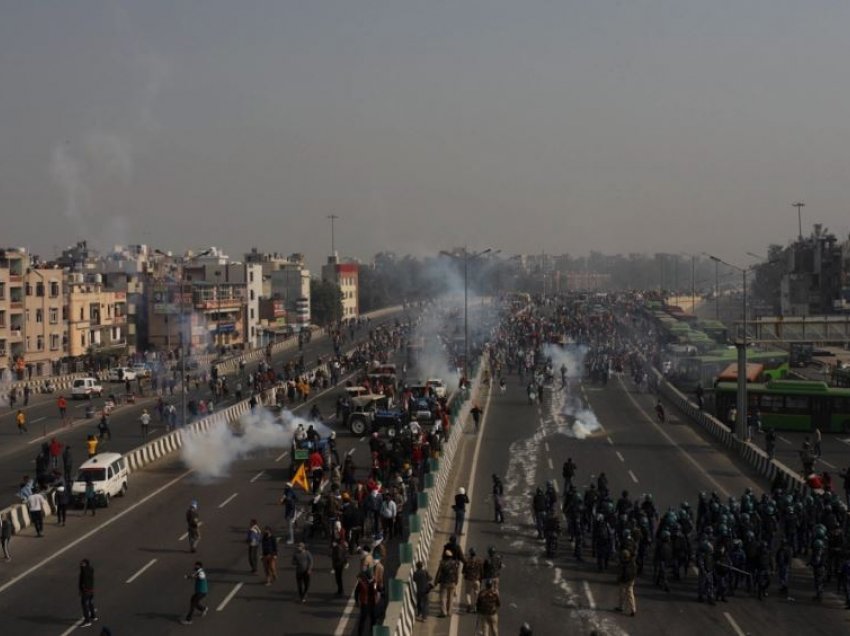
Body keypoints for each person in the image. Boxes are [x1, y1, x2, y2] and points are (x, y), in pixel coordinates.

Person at [355, 569, 380, 636]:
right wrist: (357, 601)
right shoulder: (362, 583)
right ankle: (361, 633)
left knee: (371, 618)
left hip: (370, 603)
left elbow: (376, 590)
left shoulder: (372, 582)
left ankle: (371, 632)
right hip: (366, 603)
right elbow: (356, 592)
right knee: (365, 619)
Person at [436, 549, 460, 617]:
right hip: (452, 582)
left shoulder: (442, 563)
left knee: (443, 597)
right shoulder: (455, 563)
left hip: (444, 582)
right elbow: (456, 573)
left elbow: (439, 573)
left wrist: (436, 581)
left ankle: (443, 612)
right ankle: (449, 612)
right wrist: (456, 580)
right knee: (450, 597)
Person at [615, 549, 637, 617]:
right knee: (630, 595)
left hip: (624, 580)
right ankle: (633, 609)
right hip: (631, 580)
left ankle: (621, 607)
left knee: (622, 593)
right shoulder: (632, 562)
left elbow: (620, 573)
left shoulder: (622, 563)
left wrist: (618, 579)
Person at [463, 547, 483, 613]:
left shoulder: (467, 561)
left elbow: (463, 571)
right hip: (477, 579)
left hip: (468, 579)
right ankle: (475, 607)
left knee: (468, 593)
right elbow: (481, 570)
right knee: (476, 593)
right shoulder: (479, 561)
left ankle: (469, 605)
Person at [79, 558, 97, 627]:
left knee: (84, 605)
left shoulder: (84, 571)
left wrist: (82, 590)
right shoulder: (91, 569)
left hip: (86, 591)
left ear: (85, 564)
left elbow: (83, 582)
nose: (81, 564)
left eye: (82, 563)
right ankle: (93, 616)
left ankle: (87, 620)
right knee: (90, 602)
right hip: (91, 590)